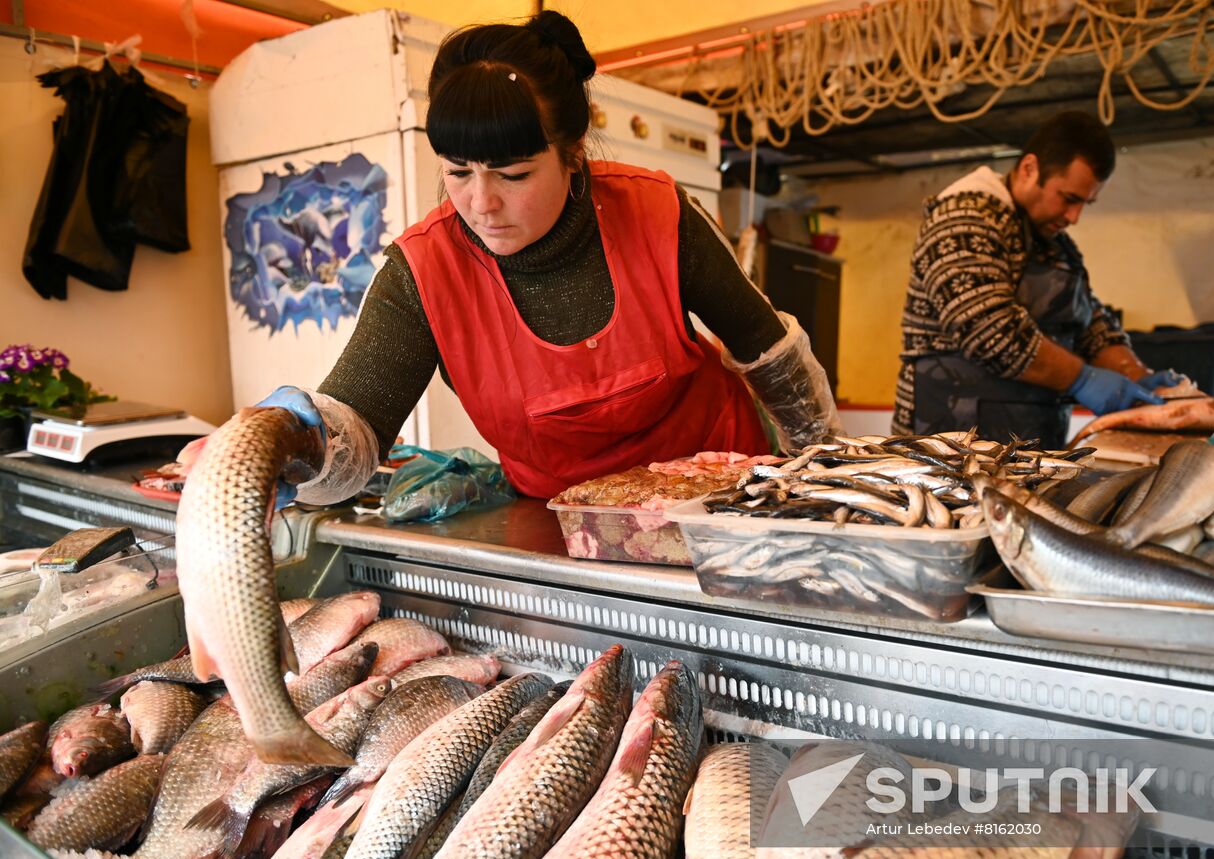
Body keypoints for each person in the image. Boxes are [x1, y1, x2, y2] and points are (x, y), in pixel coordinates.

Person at [247, 11, 840, 506]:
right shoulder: (424, 271)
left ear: (573, 152)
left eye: (514, 174)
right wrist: (296, 442)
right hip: (570, 526)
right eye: (458, 172)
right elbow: (360, 425)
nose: (481, 203)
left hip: (725, 498)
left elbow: (770, 353)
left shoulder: (658, 213)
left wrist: (825, 472)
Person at [892, 111, 1183, 447]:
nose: (1074, 217)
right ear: (1030, 169)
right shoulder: (966, 217)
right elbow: (987, 330)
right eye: (1069, 198)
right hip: (949, 441)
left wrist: (1138, 377)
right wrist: (1082, 378)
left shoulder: (1056, 246)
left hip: (1030, 439)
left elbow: (1088, 324)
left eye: (1086, 203)